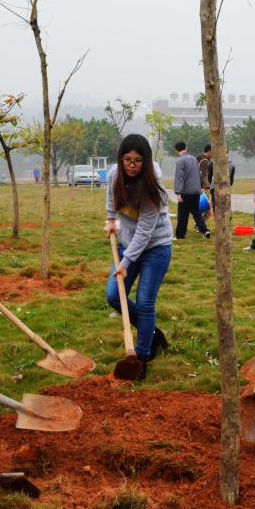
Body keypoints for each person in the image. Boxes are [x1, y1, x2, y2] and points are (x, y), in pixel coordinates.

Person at [104, 134, 173, 381]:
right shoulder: (115, 174)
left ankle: (142, 357)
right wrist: (111, 218)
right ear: (120, 159)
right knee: (114, 295)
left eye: (138, 161)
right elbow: (111, 196)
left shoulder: (153, 189)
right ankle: (152, 333)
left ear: (146, 161)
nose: (132, 165)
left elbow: (144, 233)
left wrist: (125, 263)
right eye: (127, 160)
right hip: (127, 242)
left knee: (144, 303)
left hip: (156, 247)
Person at [172, 141, 210, 239]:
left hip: (186, 192)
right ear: (185, 148)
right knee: (196, 212)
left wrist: (178, 193)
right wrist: (200, 187)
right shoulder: (194, 159)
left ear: (176, 150)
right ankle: (205, 230)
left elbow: (179, 177)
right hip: (196, 191)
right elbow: (198, 174)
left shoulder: (180, 161)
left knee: (182, 215)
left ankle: (180, 235)